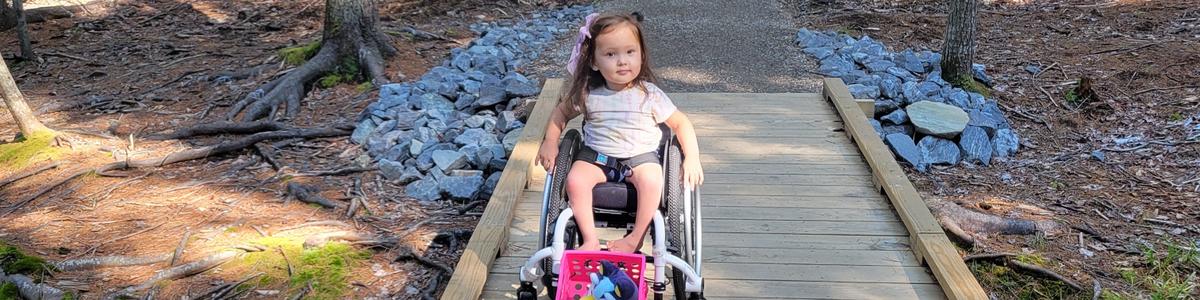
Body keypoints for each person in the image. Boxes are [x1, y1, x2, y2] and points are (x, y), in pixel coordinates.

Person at [536, 12, 703, 253]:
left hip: (640, 157)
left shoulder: (649, 94)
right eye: (611, 54)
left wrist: (693, 158)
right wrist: (551, 141)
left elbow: (681, 123)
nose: (622, 61)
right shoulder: (588, 93)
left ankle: (635, 238)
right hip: (597, 157)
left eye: (629, 52)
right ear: (594, 61)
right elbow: (560, 114)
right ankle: (590, 238)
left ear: (641, 55)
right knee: (574, 180)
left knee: (652, 180)